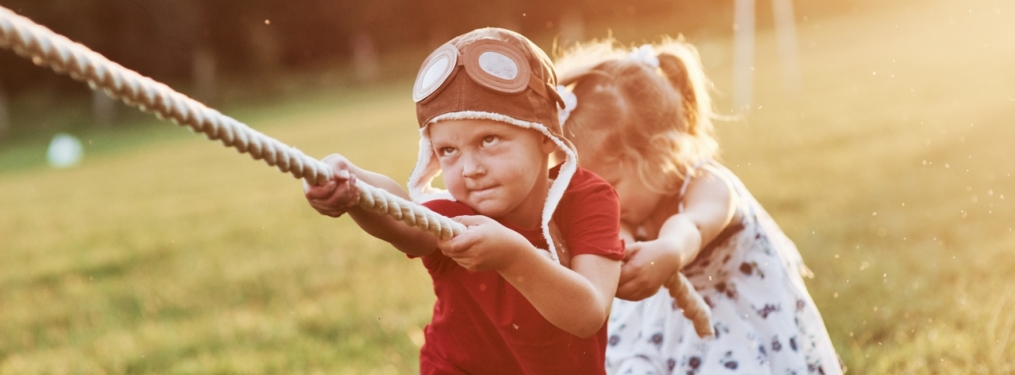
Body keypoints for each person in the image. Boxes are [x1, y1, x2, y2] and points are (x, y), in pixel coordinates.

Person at [303, 28, 625, 374]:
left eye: (489, 140)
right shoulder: (455, 219)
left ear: (546, 137)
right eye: (448, 151)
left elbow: (588, 314)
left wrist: (513, 256)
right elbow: (400, 216)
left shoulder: (587, 199)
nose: (470, 169)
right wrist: (352, 184)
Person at [553, 39, 842, 375]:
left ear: (659, 154)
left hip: (743, 327)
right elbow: (618, 236)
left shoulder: (709, 184)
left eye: (611, 186)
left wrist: (669, 250)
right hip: (670, 329)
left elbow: (693, 225)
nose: (603, 203)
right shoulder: (631, 210)